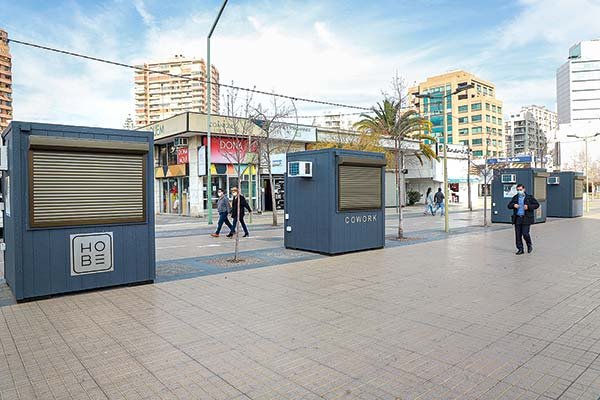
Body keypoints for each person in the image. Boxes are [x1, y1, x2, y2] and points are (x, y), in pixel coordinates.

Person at [507, 183, 539, 255]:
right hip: (517, 218)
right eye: (518, 190)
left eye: (520, 190)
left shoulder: (529, 197)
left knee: (525, 233)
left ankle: (529, 244)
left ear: (524, 189)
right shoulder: (515, 197)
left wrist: (528, 207)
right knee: (518, 235)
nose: (519, 191)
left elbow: (537, 205)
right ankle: (520, 249)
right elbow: (509, 206)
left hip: (526, 218)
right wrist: (513, 205)